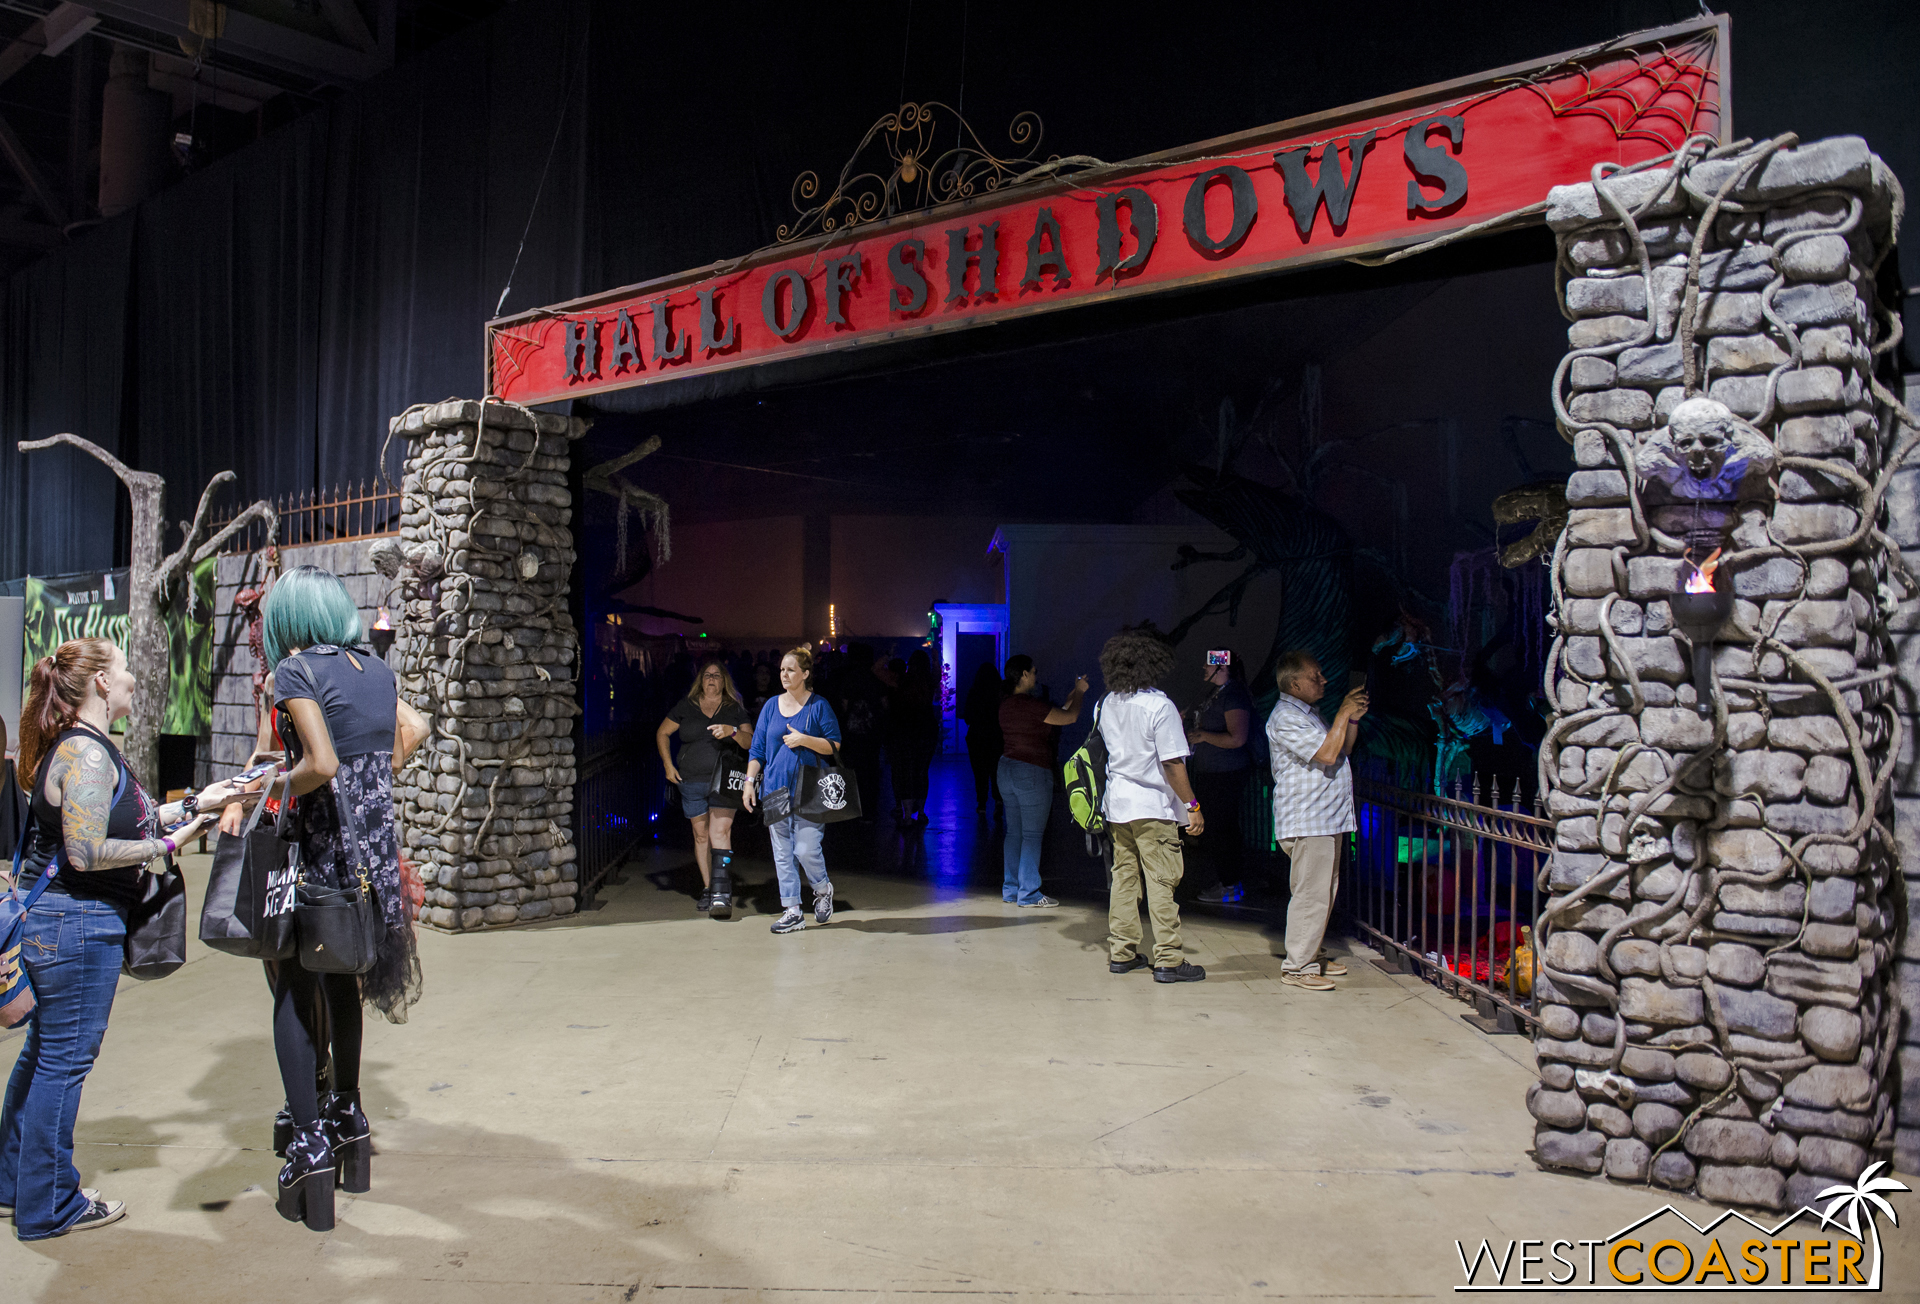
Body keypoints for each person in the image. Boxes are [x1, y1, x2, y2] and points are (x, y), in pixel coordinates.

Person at [0, 639, 221, 1238]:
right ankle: (48, 1206)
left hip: (61, 924)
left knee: (45, 1056)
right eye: (122, 668)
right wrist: (167, 847)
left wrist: (197, 806)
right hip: (76, 926)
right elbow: (88, 850)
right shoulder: (88, 756)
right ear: (100, 682)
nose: (131, 678)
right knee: (63, 1065)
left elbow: (122, 820)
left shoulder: (84, 749)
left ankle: (11, 1182)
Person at [262, 566, 429, 1229]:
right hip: (370, 861)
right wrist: (376, 779)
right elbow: (411, 729)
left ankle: (309, 1147)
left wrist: (267, 791)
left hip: (317, 859)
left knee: (294, 992)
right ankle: (349, 1121)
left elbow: (319, 765)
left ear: (290, 619)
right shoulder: (374, 672)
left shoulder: (296, 670)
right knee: (344, 989)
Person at [1095, 627, 1205, 983]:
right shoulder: (1160, 706)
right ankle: (1169, 959)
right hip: (1154, 808)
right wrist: (1192, 804)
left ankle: (1122, 952)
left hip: (1119, 806)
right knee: (1161, 881)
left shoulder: (1106, 703)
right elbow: (1173, 764)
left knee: (1124, 878)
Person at [1266, 649, 1367, 992]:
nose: (1323, 681)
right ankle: (1298, 966)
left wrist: (1349, 721)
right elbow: (1325, 754)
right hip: (1309, 820)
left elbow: (1341, 750)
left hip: (1325, 818)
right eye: (1315, 677)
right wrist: (1341, 714)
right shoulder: (1285, 717)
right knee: (1312, 894)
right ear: (1294, 684)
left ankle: (1311, 954)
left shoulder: (1309, 714)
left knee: (1323, 890)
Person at [741, 647, 842, 934]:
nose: (784, 674)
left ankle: (822, 890)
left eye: (791, 670)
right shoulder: (771, 706)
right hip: (775, 789)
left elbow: (834, 745)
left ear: (806, 674)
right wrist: (749, 783)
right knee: (782, 852)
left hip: (809, 789)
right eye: (782, 669)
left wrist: (805, 739)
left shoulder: (818, 706)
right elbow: (757, 749)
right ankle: (793, 910)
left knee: (806, 848)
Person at [657, 658, 754, 919]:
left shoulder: (734, 708)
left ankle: (722, 888)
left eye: (717, 675)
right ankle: (709, 887)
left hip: (723, 779)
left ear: (724, 681)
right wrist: (668, 765)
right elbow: (662, 733)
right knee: (701, 836)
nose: (712, 678)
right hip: (691, 780)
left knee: (719, 831)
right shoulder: (686, 706)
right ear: (700, 679)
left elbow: (749, 742)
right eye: (707, 674)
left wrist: (732, 731)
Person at [996, 656, 1086, 908]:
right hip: (1032, 771)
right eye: (1034, 672)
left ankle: (1011, 889)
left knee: (1014, 833)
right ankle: (1029, 894)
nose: (1036, 676)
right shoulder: (1030, 705)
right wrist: (1080, 693)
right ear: (1024, 674)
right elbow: (1070, 717)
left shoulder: (1007, 704)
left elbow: (1059, 713)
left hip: (1006, 769)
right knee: (1032, 835)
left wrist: (1073, 694)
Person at [1184, 650, 1254, 905]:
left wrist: (1203, 736)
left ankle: (1231, 884)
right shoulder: (1216, 694)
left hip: (1226, 773)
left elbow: (1237, 738)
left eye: (1211, 663)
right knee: (1217, 829)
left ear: (1223, 668)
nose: (1204, 666)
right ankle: (1227, 881)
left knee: (1223, 829)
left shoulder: (1233, 694)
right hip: (1212, 772)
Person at [885, 650, 938, 823]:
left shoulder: (902, 680)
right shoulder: (929, 681)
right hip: (927, 729)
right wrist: (935, 658)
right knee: (922, 772)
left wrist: (888, 654)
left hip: (906, 729)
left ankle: (907, 815)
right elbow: (937, 672)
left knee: (906, 771)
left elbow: (877, 671)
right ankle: (921, 812)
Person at [960, 663, 1003, 817]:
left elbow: (967, 716)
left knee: (980, 772)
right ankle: (998, 802)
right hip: (997, 736)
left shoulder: (974, 692)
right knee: (997, 771)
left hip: (977, 736)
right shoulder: (1000, 693)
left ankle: (982, 804)